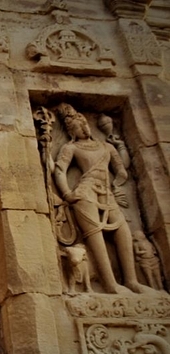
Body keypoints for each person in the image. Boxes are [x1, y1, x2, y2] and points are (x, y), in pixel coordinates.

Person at [53, 103, 152, 294]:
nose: (82, 127)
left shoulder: (105, 146)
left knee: (122, 230)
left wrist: (120, 146)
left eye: (83, 123)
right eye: (75, 126)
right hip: (85, 193)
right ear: (70, 131)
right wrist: (67, 193)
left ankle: (132, 281)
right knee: (95, 235)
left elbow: (121, 167)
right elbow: (60, 170)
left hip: (106, 192)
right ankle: (110, 284)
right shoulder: (70, 147)